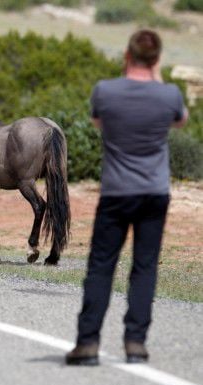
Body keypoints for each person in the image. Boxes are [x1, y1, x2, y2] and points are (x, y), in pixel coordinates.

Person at [66, 29, 189, 366]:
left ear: (127, 55)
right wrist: (157, 76)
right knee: (144, 267)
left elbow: (98, 121)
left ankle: (88, 342)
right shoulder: (169, 95)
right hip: (154, 192)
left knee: (101, 266)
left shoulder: (105, 91)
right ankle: (136, 343)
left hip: (117, 192)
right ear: (156, 58)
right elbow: (180, 122)